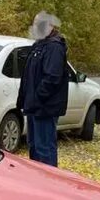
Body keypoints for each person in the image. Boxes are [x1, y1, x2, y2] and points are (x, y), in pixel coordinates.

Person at [17, 11, 67, 166]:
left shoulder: (54, 47)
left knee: (44, 148)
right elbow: (28, 76)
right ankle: (36, 180)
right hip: (33, 106)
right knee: (33, 146)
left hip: (45, 107)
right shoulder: (38, 45)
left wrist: (38, 98)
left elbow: (52, 77)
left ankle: (49, 182)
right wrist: (24, 99)